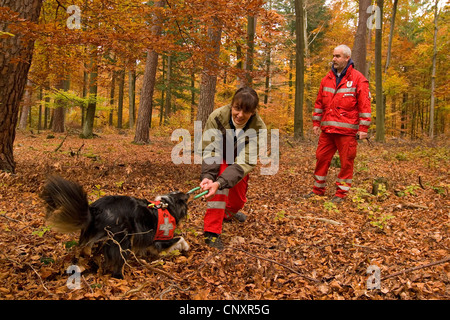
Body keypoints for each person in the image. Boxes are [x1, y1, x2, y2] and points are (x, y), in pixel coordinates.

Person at [199, 87, 266, 249]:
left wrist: (223, 181)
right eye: (237, 109)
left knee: (238, 201)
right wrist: (209, 177)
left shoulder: (258, 128)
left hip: (239, 162)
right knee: (219, 187)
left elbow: (246, 161)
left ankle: (228, 213)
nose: (240, 115)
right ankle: (212, 232)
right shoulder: (217, 117)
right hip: (218, 156)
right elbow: (210, 149)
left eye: (246, 111)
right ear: (231, 106)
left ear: (253, 112)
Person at [306, 44, 371, 203]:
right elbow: (319, 103)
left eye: (337, 56)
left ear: (347, 58)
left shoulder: (358, 79)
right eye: (333, 56)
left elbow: (364, 105)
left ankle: (341, 194)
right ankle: (318, 190)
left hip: (347, 132)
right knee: (321, 158)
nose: (334, 59)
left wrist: (363, 128)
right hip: (327, 131)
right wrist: (316, 122)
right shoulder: (326, 79)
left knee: (346, 163)